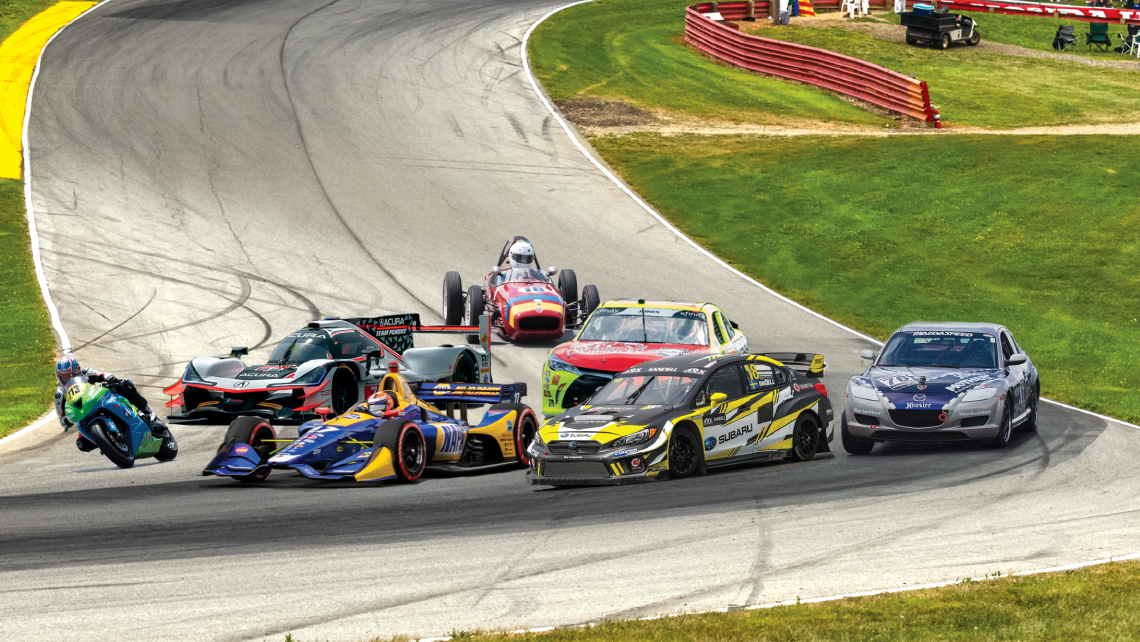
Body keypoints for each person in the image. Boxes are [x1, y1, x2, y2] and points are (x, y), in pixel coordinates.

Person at [55, 354, 166, 452]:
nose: (67, 379)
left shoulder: (85, 373)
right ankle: (108, 442)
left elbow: (102, 374)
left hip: (101, 398)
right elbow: (62, 417)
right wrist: (65, 420)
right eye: (63, 377)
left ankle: (149, 413)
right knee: (82, 444)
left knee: (125, 383)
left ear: (77, 370)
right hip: (84, 413)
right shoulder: (60, 393)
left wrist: (109, 377)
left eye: (70, 375)